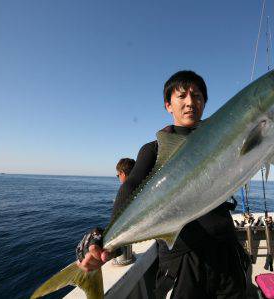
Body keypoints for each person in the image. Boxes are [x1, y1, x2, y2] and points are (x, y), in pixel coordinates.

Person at [76, 71, 248, 298]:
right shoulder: (154, 149)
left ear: (204, 102)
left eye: (197, 96)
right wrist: (106, 239)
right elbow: (130, 187)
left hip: (227, 254)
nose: (190, 102)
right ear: (168, 105)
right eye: (182, 96)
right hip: (182, 262)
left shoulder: (224, 135)